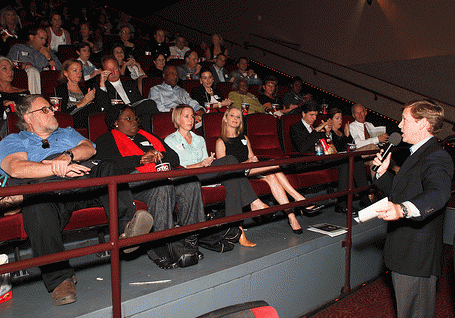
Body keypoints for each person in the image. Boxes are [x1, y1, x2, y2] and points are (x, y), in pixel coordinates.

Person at [0, 95, 153, 306]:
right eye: (45, 110)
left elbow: (90, 149)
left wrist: (68, 156)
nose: (52, 112)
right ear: (28, 118)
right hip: (50, 193)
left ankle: (126, 232)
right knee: (34, 205)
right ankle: (60, 279)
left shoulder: (66, 132)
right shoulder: (15, 140)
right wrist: (56, 167)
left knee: (108, 167)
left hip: (83, 184)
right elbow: (16, 167)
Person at [94, 104, 206, 269]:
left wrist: (160, 155)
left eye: (135, 118)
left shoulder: (147, 136)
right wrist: (140, 159)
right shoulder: (105, 139)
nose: (134, 122)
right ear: (116, 123)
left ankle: (189, 241)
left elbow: (174, 158)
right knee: (161, 186)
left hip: (159, 176)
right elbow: (108, 165)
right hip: (130, 182)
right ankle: (162, 246)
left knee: (190, 182)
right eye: (128, 119)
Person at [372, 99, 453, 318]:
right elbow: (399, 195)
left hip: (417, 258)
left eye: (405, 120)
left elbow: (438, 194)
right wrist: (383, 172)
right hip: (404, 254)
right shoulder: (415, 154)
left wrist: (402, 210)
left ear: (422, 123)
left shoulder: (437, 156)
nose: (399, 125)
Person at [165, 104, 271, 247]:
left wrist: (208, 162)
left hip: (205, 174)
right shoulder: (169, 141)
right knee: (231, 161)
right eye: (186, 116)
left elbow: (206, 163)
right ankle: (254, 202)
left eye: (192, 116)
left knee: (232, 177)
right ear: (178, 119)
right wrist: (199, 165)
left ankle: (239, 232)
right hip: (188, 177)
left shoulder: (199, 139)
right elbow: (174, 169)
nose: (191, 119)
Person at [217, 107, 322, 234]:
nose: (235, 119)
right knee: (274, 165)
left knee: (272, 176)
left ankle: (291, 216)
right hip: (237, 174)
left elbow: (252, 157)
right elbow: (224, 168)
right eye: (232, 116)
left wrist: (252, 161)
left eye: (238, 117)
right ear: (226, 119)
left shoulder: (244, 138)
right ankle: (299, 199)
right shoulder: (220, 141)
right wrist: (247, 163)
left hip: (251, 170)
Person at [95, 56, 159, 132]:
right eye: (109, 70)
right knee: (149, 106)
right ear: (103, 72)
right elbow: (104, 108)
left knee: (147, 115)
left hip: (134, 111)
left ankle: (150, 137)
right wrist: (102, 83)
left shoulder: (129, 83)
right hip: (119, 114)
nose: (113, 72)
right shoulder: (101, 87)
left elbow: (139, 100)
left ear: (119, 68)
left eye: (115, 69)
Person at [7, 26, 62, 94]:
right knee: (32, 70)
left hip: (44, 82)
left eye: (45, 39)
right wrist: (23, 65)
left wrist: (48, 57)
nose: (44, 42)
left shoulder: (48, 52)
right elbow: (8, 65)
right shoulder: (18, 48)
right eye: (41, 38)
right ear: (31, 37)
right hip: (24, 79)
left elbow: (60, 70)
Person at [53, 59, 102, 129]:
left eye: (80, 71)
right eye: (75, 70)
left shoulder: (86, 89)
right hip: (71, 122)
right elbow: (61, 115)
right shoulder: (60, 90)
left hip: (87, 121)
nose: (79, 73)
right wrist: (82, 103)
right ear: (65, 73)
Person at [0, 56, 29, 137]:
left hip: (23, 123)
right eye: (4, 68)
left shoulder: (23, 91)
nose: (10, 72)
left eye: (11, 69)